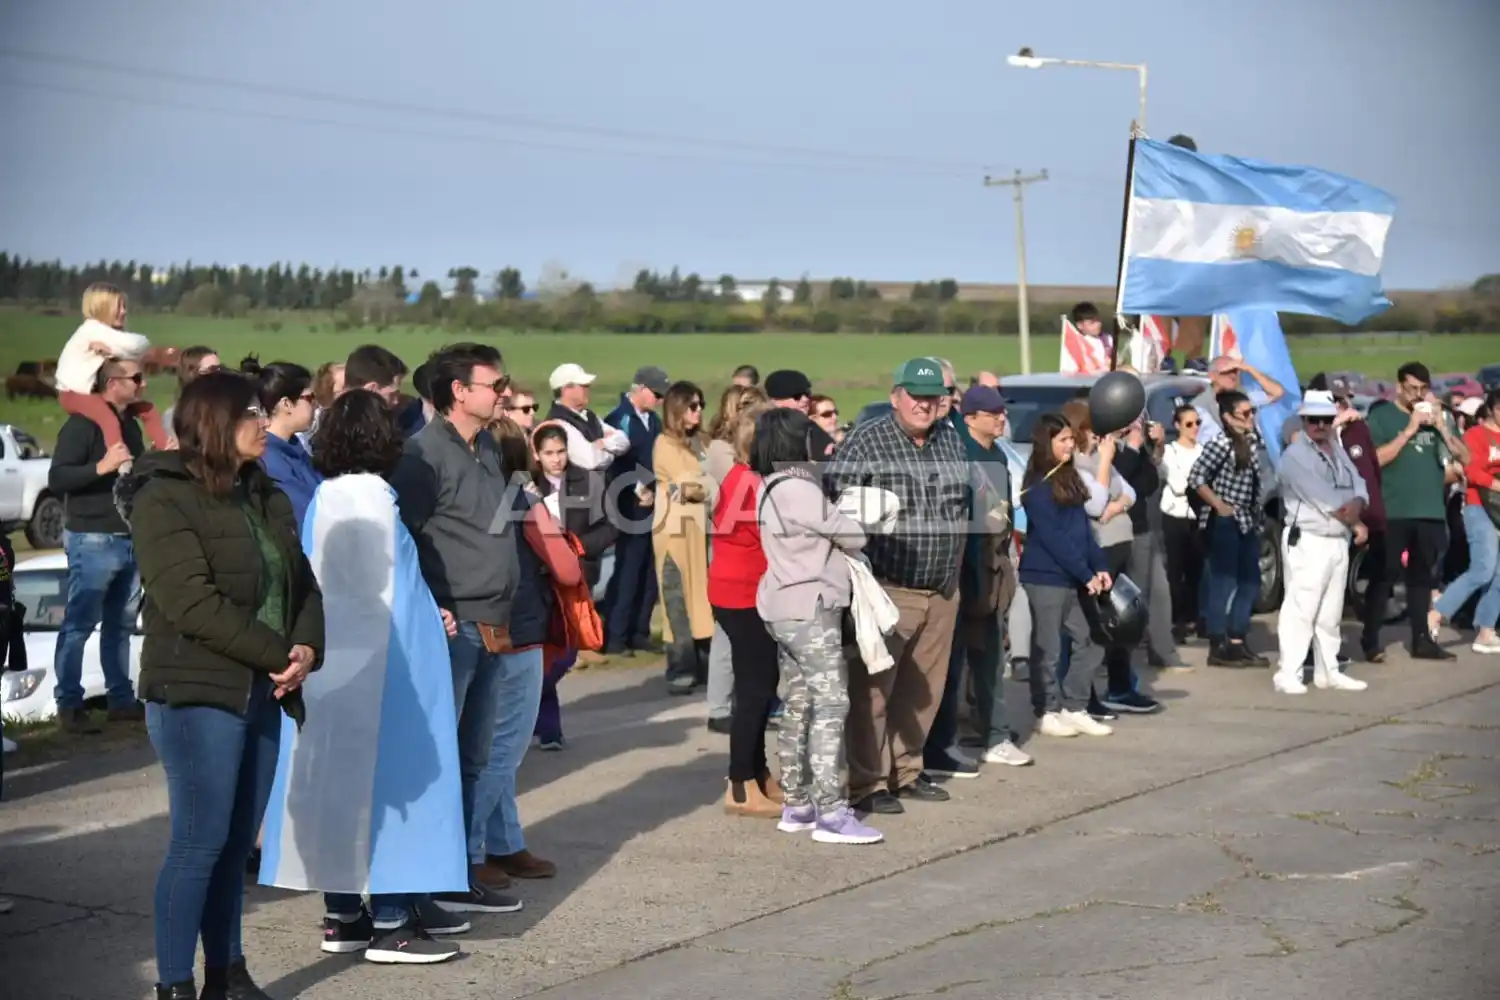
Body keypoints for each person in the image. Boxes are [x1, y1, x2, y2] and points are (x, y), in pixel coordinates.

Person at [128, 371, 324, 1000]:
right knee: (199, 842)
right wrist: (277, 654)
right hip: (198, 695)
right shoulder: (163, 497)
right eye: (254, 416)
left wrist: (307, 647)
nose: (266, 426)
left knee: (238, 843)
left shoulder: (259, 488)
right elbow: (190, 604)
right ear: (217, 421)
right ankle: (175, 985)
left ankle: (228, 975)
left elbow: (302, 581)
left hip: (265, 690)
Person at [259, 389, 465, 965]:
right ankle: (395, 921)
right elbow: (394, 593)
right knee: (398, 784)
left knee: (337, 788)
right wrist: (433, 621)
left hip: (330, 662)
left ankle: (344, 916)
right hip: (387, 665)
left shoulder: (323, 496)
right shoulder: (378, 498)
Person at [388, 343, 523, 914]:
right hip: (453, 624)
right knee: (439, 755)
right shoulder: (421, 456)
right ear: (458, 392)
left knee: (475, 755)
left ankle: (459, 867)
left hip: (495, 622)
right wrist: (428, 606)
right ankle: (430, 878)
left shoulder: (488, 446)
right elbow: (403, 537)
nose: (506, 393)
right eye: (496, 384)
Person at [827, 359, 968, 815]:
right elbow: (835, 501)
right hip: (890, 586)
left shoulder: (950, 437)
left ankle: (906, 772)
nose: (925, 405)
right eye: (915, 396)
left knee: (923, 688)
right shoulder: (869, 438)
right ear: (896, 397)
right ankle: (867, 783)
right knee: (873, 691)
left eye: (932, 398)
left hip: (942, 587)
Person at [755, 408, 879, 844]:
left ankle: (797, 802)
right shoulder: (801, 490)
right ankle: (831, 811)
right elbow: (854, 534)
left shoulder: (768, 487)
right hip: (811, 607)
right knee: (831, 703)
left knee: (799, 702)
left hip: (780, 606)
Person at [469, 418, 577, 888]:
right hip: (520, 632)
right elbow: (568, 569)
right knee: (504, 749)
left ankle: (505, 842)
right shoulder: (523, 500)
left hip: (486, 630)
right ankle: (469, 850)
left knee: (493, 746)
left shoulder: (473, 498)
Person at [47, 355, 149, 734]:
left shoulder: (127, 425)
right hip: (92, 536)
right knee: (79, 623)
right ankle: (69, 704)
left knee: (121, 624)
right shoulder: (82, 425)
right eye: (135, 378)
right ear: (111, 383)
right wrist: (100, 468)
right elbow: (57, 478)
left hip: (127, 535)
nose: (143, 384)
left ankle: (120, 700)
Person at [937, 386, 1031, 768]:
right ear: (971, 417)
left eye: (1001, 412)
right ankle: (944, 742)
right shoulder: (959, 451)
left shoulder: (998, 455)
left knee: (990, 659)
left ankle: (995, 736)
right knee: (951, 663)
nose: (1000, 418)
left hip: (993, 569)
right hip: (961, 572)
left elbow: (1002, 516)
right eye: (992, 413)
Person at [1018, 412, 1112, 739]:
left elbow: (1083, 531)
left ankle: (1075, 706)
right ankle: (1046, 709)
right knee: (1049, 646)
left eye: (1071, 439)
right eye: (1063, 440)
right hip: (1045, 576)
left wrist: (1099, 566)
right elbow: (1053, 536)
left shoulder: (1069, 476)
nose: (1070, 445)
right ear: (1047, 443)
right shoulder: (1037, 484)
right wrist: (1085, 573)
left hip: (1075, 575)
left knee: (1089, 639)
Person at [1366, 362, 1468, 661]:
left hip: (1430, 511)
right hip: (1394, 510)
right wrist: (1409, 429)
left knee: (1422, 580)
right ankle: (1370, 639)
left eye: (1424, 389)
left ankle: (1421, 640)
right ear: (1399, 387)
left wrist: (1441, 426)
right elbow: (1375, 460)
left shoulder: (1439, 418)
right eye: (1412, 388)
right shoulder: (1382, 415)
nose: (1418, 395)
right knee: (1384, 576)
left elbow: (1465, 458)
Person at [708, 401, 780, 816]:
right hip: (743, 593)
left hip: (733, 589)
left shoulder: (741, 476)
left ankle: (757, 771)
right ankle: (740, 783)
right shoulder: (752, 483)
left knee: (759, 685)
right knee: (755, 690)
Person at [1273, 392, 1370, 695]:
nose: (1319, 425)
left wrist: (1357, 502)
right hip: (1309, 539)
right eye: (1313, 420)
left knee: (1331, 611)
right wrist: (1354, 517)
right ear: (1303, 421)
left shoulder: (1336, 449)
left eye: (1325, 420)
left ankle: (1329, 670)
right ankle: (1288, 672)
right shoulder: (1294, 456)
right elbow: (1321, 496)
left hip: (1336, 539)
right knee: (1302, 608)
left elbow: (1359, 481)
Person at [530, 421, 616, 746]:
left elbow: (611, 527)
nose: (556, 459)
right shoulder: (523, 484)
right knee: (545, 648)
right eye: (549, 453)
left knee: (566, 651)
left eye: (561, 451)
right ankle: (549, 729)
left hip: (577, 575)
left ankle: (533, 706)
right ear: (536, 455)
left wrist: (577, 546)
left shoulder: (589, 480)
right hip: (538, 577)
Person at [702, 384, 769, 732]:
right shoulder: (722, 451)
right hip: (732, 541)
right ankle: (720, 706)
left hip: (738, 541)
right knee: (728, 635)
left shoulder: (730, 452)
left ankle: (747, 700)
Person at [1188, 390, 1268, 667]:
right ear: (1227, 417)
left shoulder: (1251, 439)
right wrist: (1218, 505)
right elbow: (1196, 477)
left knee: (1250, 581)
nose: (1250, 418)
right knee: (1224, 582)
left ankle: (1237, 640)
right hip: (1224, 521)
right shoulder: (1221, 444)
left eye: (1252, 412)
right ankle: (1217, 643)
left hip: (1247, 519)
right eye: (1244, 413)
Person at [54, 283, 170, 454]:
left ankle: (166, 448)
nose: (124, 311)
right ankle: (117, 454)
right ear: (101, 308)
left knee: (148, 410)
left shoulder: (106, 334)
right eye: (118, 307)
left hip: (95, 391)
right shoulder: (92, 329)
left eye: (124, 306)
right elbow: (138, 344)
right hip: (74, 393)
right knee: (108, 419)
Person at [601, 366, 669, 655]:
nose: (659, 400)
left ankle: (639, 630)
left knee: (648, 570)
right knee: (628, 568)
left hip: (653, 502)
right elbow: (617, 463)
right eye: (656, 394)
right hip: (629, 504)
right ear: (639, 388)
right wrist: (637, 488)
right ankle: (616, 634)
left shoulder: (652, 420)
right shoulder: (619, 420)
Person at [653, 381, 715, 695]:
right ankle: (680, 666)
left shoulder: (701, 442)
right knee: (677, 600)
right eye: (692, 406)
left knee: (703, 599)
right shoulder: (665, 444)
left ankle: (704, 664)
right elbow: (689, 487)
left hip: (701, 531)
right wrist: (710, 484)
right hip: (675, 534)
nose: (699, 411)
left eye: (701, 404)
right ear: (677, 409)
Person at [1431, 388, 1500, 653]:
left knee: (1498, 575)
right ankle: (1436, 613)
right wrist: (1495, 484)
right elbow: (1470, 470)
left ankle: (1485, 630)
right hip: (1478, 505)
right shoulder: (1477, 435)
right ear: (1492, 409)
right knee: (1483, 567)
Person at [244, 358, 321, 526]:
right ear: (286, 404)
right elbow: (308, 514)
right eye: (310, 397)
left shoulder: (292, 446)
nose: (316, 404)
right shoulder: (269, 459)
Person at [1160, 404, 1204, 645]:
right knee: (1175, 571)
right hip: (1175, 515)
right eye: (1189, 424)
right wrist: (1198, 485)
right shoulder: (1170, 452)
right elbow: (1178, 483)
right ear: (1177, 426)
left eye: (1197, 423)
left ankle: (1193, 617)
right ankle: (1177, 620)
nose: (1194, 428)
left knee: (1195, 570)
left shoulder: (1203, 451)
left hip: (1197, 517)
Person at [546, 363, 630, 471]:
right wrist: (612, 453)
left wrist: (603, 443)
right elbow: (590, 461)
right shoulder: (558, 423)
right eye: (583, 386)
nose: (587, 390)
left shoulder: (589, 416)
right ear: (566, 390)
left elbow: (624, 441)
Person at [1193, 356, 1287, 444]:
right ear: (1212, 376)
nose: (1232, 376)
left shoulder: (1244, 396)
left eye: (1235, 371)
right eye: (1226, 372)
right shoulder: (1199, 405)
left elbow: (1277, 392)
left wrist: (1249, 368)